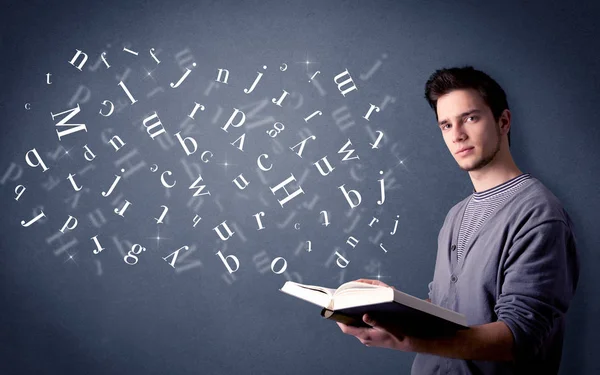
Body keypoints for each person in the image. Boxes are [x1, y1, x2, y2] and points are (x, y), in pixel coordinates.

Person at [336, 66, 580, 374]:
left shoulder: (539, 215)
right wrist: (392, 309)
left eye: (470, 118)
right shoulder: (456, 215)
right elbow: (449, 309)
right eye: (446, 125)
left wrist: (405, 339)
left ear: (503, 121)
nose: (457, 135)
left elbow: (518, 336)